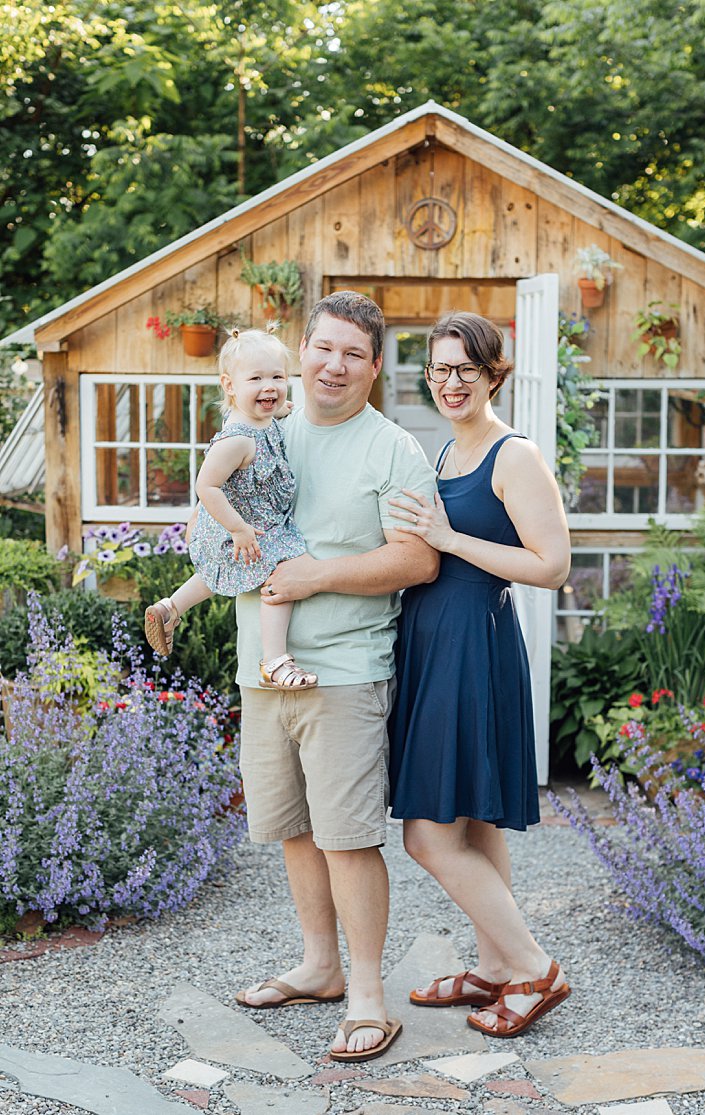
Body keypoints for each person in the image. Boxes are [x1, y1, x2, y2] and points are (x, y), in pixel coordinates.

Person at [230, 291, 440, 1065]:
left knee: (348, 837)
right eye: (323, 347)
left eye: (354, 353)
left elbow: (417, 559)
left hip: (344, 673)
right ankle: (319, 967)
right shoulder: (264, 432)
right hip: (263, 670)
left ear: (375, 366)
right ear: (303, 348)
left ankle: (367, 995)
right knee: (292, 827)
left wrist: (317, 577)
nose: (334, 364)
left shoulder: (393, 448)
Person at [385, 310, 573, 1038]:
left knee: (427, 835)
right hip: (433, 644)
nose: (449, 381)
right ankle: (495, 966)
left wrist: (447, 536)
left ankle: (535, 968)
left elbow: (551, 566)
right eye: (438, 369)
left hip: (474, 645)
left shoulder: (512, 454)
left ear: (494, 374)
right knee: (472, 816)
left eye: (464, 368)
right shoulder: (443, 454)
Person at [143, 329, 317, 690]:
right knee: (282, 571)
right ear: (230, 385)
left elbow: (278, 410)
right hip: (242, 525)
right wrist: (238, 529)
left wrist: (284, 409)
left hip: (240, 524)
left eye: (277, 378)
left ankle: (170, 608)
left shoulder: (259, 419)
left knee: (215, 574)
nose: (269, 387)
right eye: (256, 378)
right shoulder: (238, 438)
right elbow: (205, 485)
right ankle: (274, 660)